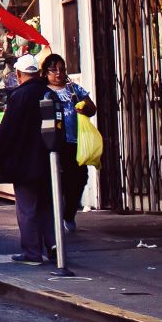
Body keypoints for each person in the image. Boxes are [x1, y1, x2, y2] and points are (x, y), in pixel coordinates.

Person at [0, 54, 56, 265]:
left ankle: (32, 253)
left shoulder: (19, 96)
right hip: (48, 160)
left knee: (27, 208)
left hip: (25, 162)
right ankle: (54, 246)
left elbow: (8, 131)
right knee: (46, 205)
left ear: (19, 74)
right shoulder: (48, 93)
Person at [42, 54, 95, 235]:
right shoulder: (42, 91)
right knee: (57, 181)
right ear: (46, 72)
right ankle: (55, 216)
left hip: (74, 142)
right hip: (52, 143)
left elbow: (92, 108)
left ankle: (69, 213)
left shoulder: (74, 88)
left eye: (62, 69)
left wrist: (84, 107)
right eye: (54, 69)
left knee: (79, 178)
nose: (58, 73)